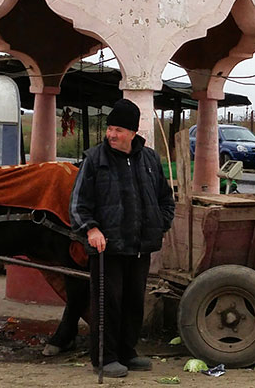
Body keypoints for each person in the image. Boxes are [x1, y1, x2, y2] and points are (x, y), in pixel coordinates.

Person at [69, 98, 175, 378]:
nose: (111, 134)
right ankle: (105, 358)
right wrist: (91, 229)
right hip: (107, 247)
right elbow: (78, 203)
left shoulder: (150, 158)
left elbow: (166, 198)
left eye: (118, 129)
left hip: (140, 245)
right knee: (108, 303)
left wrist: (159, 223)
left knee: (133, 302)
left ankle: (128, 352)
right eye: (110, 128)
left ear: (132, 132)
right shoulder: (95, 159)